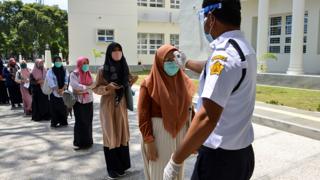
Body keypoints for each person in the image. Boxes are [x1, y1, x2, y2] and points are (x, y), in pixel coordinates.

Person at [163, 0, 256, 180]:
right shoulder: (243, 47)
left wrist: (176, 160)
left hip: (220, 162)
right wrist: (187, 62)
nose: (204, 24)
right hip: (242, 154)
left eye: (203, 18)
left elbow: (206, 118)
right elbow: (216, 71)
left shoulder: (224, 56)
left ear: (211, 18)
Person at [138, 44, 196, 180]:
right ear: (159, 61)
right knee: (160, 174)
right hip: (158, 136)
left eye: (175, 59)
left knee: (176, 174)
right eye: (168, 60)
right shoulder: (148, 84)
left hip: (180, 134)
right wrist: (149, 141)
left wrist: (193, 138)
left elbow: (190, 110)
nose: (172, 63)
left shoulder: (183, 82)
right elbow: (143, 115)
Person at [93, 42, 138, 179]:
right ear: (109, 53)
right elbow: (95, 88)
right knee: (111, 134)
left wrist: (131, 81)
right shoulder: (102, 70)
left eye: (119, 50)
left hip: (121, 105)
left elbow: (126, 84)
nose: (117, 53)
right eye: (114, 50)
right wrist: (107, 88)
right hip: (108, 106)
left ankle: (122, 167)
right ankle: (112, 169)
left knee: (122, 133)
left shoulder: (125, 68)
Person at [70, 56, 95, 150]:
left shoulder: (89, 73)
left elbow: (94, 84)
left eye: (87, 63)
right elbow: (75, 85)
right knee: (80, 122)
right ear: (79, 64)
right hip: (78, 102)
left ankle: (88, 141)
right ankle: (79, 142)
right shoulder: (74, 74)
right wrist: (87, 88)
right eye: (84, 63)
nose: (86, 65)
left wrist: (83, 89)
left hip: (88, 101)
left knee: (88, 121)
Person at [46, 56, 69, 128]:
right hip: (54, 93)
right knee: (54, 109)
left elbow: (66, 80)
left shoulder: (65, 70)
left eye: (59, 60)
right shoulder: (50, 71)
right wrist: (57, 90)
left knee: (63, 108)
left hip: (63, 92)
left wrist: (62, 89)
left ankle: (63, 121)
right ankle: (55, 122)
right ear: (54, 62)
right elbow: (50, 81)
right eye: (56, 61)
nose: (58, 62)